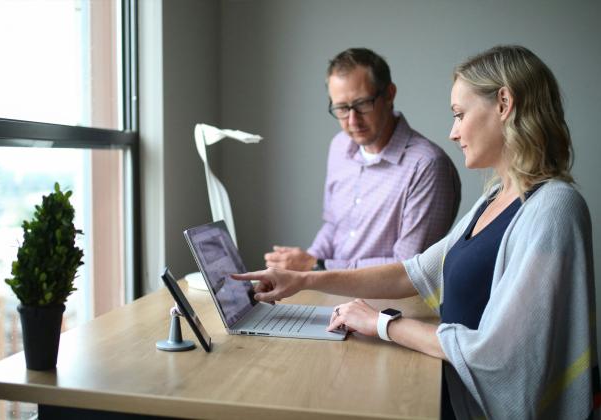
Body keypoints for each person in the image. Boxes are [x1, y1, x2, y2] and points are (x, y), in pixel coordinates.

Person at [235, 45, 600, 419]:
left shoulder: (555, 207)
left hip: (477, 406)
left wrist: (381, 324)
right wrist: (303, 279)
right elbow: (415, 271)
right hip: (451, 384)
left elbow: (497, 353)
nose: (453, 132)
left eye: (459, 114)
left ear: (504, 103)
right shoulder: (495, 197)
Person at [264, 48, 461, 271]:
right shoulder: (339, 146)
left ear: (389, 94)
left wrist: (317, 266)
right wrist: (301, 265)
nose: (352, 120)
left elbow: (407, 268)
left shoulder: (427, 165)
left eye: (362, 104)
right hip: (331, 291)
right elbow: (333, 227)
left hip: (388, 304)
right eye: (341, 108)